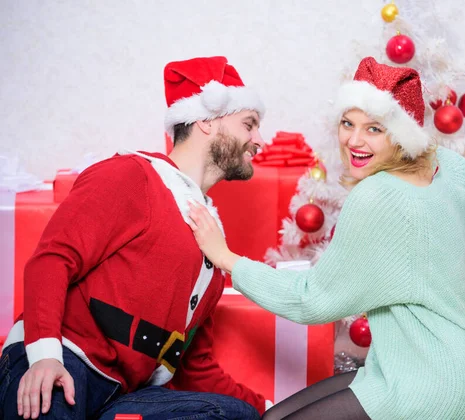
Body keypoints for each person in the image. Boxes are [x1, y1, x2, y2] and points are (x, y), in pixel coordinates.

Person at [187, 56, 465, 419]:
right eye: (348, 123)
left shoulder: (376, 196)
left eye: (375, 128)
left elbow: (311, 300)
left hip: (432, 384)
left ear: (400, 135)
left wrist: (226, 258)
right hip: (447, 369)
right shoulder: (447, 165)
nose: (354, 140)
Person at [0, 56, 272, 420]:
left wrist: (272, 409)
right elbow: (52, 260)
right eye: (249, 125)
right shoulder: (131, 176)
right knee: (51, 400)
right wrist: (45, 356)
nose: (259, 140)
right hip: (65, 362)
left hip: (125, 394)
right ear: (207, 121)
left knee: (238, 415)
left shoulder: (211, 243)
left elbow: (196, 367)